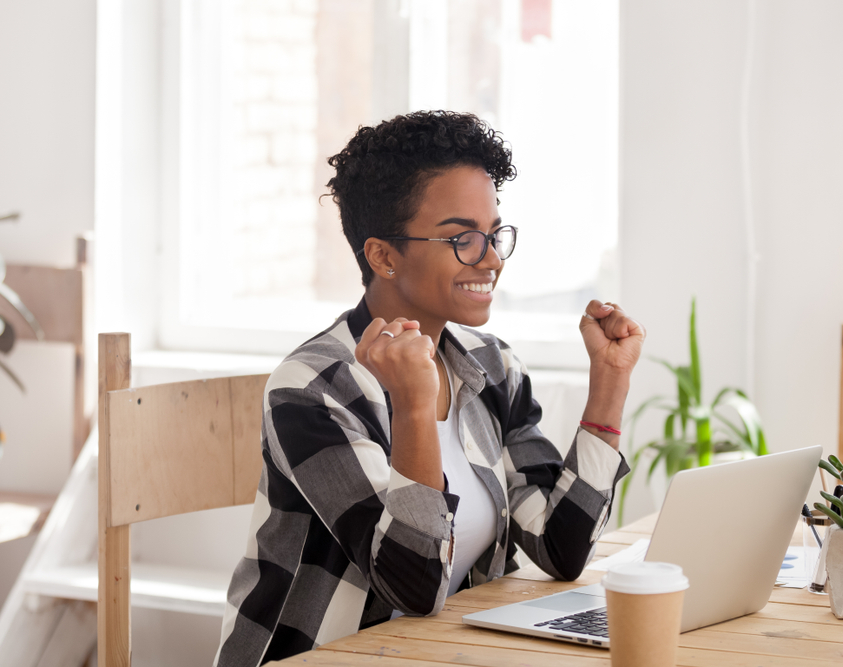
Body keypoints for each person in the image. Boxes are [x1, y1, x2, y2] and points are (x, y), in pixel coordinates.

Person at [214, 111, 644, 666]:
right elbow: (412, 584)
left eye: (493, 235)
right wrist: (414, 407)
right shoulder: (314, 388)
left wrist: (608, 384)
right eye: (462, 238)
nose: (489, 259)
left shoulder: (491, 366)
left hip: (434, 653)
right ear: (383, 256)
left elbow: (560, 547)